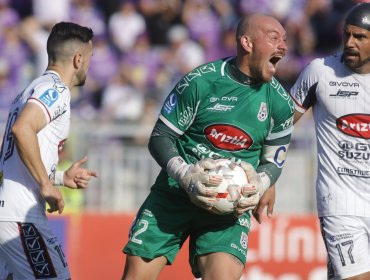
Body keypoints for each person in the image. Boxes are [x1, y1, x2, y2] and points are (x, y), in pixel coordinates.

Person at [122, 13, 294, 280]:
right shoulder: (201, 82)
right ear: (247, 43)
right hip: (174, 194)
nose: (283, 46)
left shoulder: (280, 104)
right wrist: (185, 175)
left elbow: (274, 161)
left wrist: (261, 183)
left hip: (229, 209)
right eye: (274, 38)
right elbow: (160, 137)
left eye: (284, 40)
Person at [0, 22, 97, 280]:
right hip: (21, 217)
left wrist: (59, 178)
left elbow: (13, 159)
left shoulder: (28, 90)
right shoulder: (54, 90)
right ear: (78, 59)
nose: (89, 64)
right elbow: (22, 130)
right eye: (89, 58)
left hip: (9, 213)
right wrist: (45, 183)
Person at [290, 3, 370, 280]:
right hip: (340, 203)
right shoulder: (320, 72)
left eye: (360, 37)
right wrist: (266, 177)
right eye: (347, 34)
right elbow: (280, 126)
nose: (350, 42)